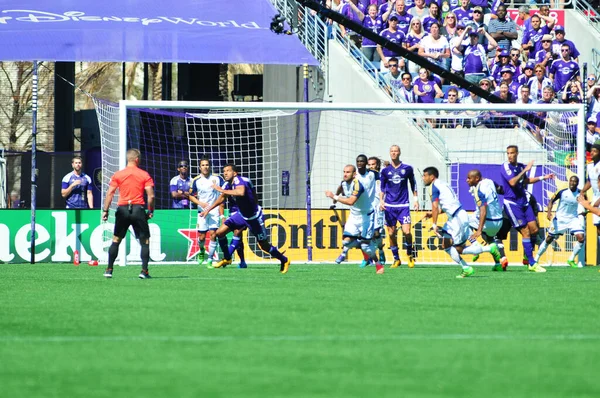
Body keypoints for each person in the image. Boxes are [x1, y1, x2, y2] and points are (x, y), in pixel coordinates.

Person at [201, 164, 290, 274]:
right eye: (224, 171)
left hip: (254, 218)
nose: (225, 173)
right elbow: (221, 199)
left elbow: (241, 192)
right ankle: (227, 258)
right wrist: (208, 209)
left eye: (228, 171)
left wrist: (220, 189)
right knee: (219, 233)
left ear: (235, 173)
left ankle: (284, 260)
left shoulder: (239, 180)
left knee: (264, 246)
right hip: (241, 215)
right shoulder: (228, 184)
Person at [422, 167, 484, 278]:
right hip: (456, 216)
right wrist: (432, 214)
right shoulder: (443, 184)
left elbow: (435, 206)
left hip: (457, 219)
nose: (423, 178)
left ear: (432, 177)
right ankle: (467, 267)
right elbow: (447, 206)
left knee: (457, 248)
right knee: (446, 244)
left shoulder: (433, 187)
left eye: (425, 176)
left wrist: (434, 224)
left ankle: (483, 250)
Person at [101, 149, 155, 279]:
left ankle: (109, 270)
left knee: (116, 240)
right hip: (138, 209)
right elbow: (151, 196)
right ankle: (144, 271)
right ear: (137, 159)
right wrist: (150, 210)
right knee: (145, 241)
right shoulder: (144, 175)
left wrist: (105, 210)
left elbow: (110, 193)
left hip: (123, 209)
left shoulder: (118, 174)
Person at [500, 145, 554, 273]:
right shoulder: (505, 167)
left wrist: (543, 178)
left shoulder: (520, 166)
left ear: (517, 153)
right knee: (525, 231)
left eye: (512, 153)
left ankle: (527, 255)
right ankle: (532, 263)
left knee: (534, 229)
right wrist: (525, 170)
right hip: (512, 204)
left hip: (524, 202)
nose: (510, 155)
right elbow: (512, 182)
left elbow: (525, 181)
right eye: (508, 153)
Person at [326, 164, 384, 274]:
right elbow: (340, 187)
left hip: (366, 216)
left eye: (348, 172)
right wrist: (335, 197)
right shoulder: (344, 183)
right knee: (346, 242)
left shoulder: (358, 185)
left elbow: (350, 201)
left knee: (366, 248)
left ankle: (377, 263)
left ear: (354, 174)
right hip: (354, 216)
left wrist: (334, 197)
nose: (345, 174)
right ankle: (364, 242)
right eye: (344, 172)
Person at [380, 145, 418, 268]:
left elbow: (413, 184)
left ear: (399, 153)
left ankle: (410, 255)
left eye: (396, 151)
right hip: (389, 206)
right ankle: (396, 259)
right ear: (389, 153)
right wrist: (381, 201)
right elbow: (382, 188)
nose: (394, 153)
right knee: (391, 234)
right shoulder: (385, 171)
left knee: (407, 232)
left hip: (403, 205)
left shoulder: (407, 168)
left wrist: (415, 200)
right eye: (392, 151)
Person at [535, 176, 585, 268]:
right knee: (549, 239)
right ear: (569, 182)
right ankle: (536, 259)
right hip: (560, 220)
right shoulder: (562, 192)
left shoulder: (580, 193)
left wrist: (584, 211)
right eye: (571, 181)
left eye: (574, 182)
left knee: (581, 238)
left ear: (577, 183)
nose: (572, 183)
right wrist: (549, 212)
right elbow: (551, 201)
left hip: (573, 219)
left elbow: (586, 204)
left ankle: (571, 259)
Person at [188, 157, 224, 268]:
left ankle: (210, 260)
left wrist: (221, 213)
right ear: (199, 167)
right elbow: (190, 196)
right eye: (203, 165)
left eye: (207, 165)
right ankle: (202, 250)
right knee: (202, 237)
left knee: (213, 234)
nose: (205, 167)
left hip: (214, 211)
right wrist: (200, 203)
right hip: (202, 212)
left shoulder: (217, 178)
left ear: (210, 166)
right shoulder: (196, 180)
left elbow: (223, 193)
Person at [465, 169, 504, 270]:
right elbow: (500, 189)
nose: (467, 180)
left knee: (462, 221)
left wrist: (479, 230)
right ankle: (497, 265)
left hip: (489, 222)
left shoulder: (479, 191)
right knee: (490, 239)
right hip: (499, 221)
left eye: (469, 178)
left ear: (477, 178)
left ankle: (475, 246)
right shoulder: (489, 181)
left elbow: (483, 211)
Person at [578, 143, 600, 263]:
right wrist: (582, 191)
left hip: (598, 199)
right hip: (596, 196)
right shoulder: (590, 166)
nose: (592, 153)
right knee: (598, 228)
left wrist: (595, 204)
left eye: (595, 151)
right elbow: (590, 181)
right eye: (591, 151)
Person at [368, 156, 386, 264]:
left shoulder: (381, 176)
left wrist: (382, 202)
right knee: (367, 232)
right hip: (368, 206)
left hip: (378, 206)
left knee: (376, 232)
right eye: (369, 165)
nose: (371, 167)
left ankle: (380, 250)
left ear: (377, 165)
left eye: (373, 164)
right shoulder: (366, 176)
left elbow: (383, 190)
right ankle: (371, 256)